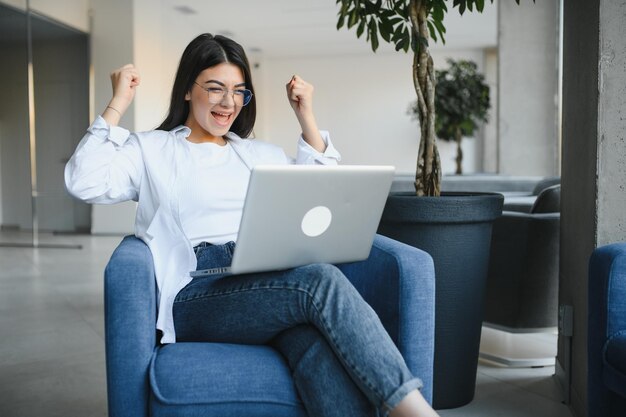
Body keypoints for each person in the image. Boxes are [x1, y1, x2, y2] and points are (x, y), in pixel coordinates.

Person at [65, 33, 439, 417]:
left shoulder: (258, 153)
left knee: (313, 344)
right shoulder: (152, 149)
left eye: (239, 91)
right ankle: (416, 411)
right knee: (319, 281)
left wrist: (305, 114)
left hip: (265, 282)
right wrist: (118, 103)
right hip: (197, 289)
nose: (228, 103)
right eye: (215, 89)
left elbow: (321, 191)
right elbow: (83, 180)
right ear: (187, 91)